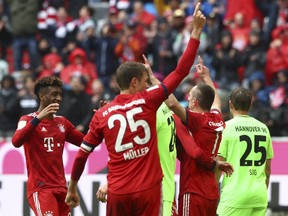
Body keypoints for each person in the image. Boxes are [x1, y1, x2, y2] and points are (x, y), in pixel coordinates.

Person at [65, 2, 206, 215]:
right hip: (147, 190)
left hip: (118, 192)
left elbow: (82, 154)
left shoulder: (104, 113)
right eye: (144, 80)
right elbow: (181, 71)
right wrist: (196, 32)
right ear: (133, 82)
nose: (146, 84)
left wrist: (73, 188)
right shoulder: (149, 101)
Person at [149, 55, 227, 216]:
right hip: (211, 192)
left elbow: (171, 103)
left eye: (190, 97)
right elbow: (216, 102)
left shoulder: (198, 121)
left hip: (193, 191)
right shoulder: (217, 119)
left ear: (194, 103)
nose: (188, 99)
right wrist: (207, 78)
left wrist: (153, 80)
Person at [11, 76, 84, 216]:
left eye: (60, 95)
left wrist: (100, 121)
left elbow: (87, 142)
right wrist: (37, 119)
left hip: (62, 189)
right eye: (54, 94)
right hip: (41, 189)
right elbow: (16, 141)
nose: (59, 98)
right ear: (42, 96)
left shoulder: (62, 122)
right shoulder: (27, 119)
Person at [216, 87, 274, 216]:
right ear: (250, 104)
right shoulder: (263, 128)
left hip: (235, 196)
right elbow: (268, 169)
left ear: (230, 103)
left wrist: (212, 193)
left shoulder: (226, 128)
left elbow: (219, 166)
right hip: (259, 195)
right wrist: (262, 191)